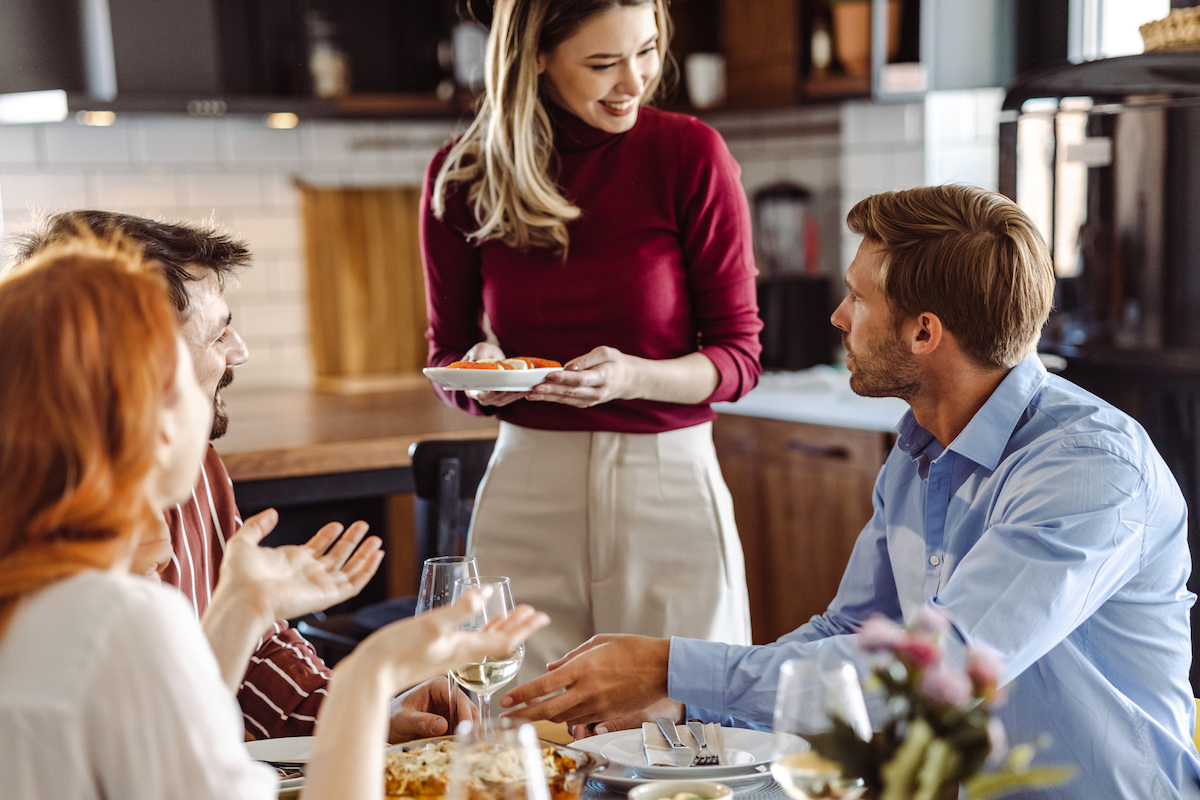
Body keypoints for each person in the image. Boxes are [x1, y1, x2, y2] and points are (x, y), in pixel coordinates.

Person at [500, 185, 1200, 799]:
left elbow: (929, 674)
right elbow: (850, 636)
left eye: (858, 298)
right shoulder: (922, 446)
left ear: (925, 332)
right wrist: (680, 704)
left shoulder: (1088, 471)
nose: (838, 316)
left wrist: (669, 667)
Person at [0, 237, 549, 800]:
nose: (236, 354)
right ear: (146, 413)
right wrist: (372, 674)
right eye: (212, 342)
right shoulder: (122, 623)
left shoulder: (42, 603)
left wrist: (244, 608)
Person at [420, 0, 762, 682]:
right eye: (603, 63)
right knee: (513, 727)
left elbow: (738, 357)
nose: (634, 82)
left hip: (667, 486)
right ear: (536, 58)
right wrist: (478, 371)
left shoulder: (689, 154)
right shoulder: (463, 176)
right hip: (527, 489)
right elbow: (448, 354)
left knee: (678, 741)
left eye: (646, 50)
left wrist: (634, 377)